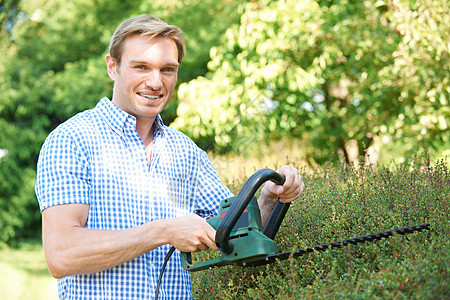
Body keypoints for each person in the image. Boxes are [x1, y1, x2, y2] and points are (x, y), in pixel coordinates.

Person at [35, 14, 305, 299]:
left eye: (167, 69)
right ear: (112, 67)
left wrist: (269, 196)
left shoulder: (185, 151)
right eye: (141, 67)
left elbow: (231, 233)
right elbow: (61, 254)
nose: (155, 82)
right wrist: (164, 232)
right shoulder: (72, 140)